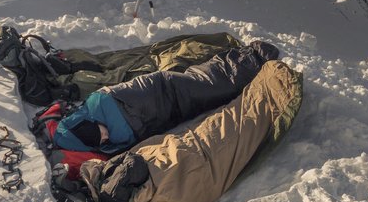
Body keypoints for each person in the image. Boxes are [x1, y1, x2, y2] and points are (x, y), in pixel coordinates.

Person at [53, 40, 279, 154]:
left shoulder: (101, 105)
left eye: (97, 136)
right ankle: (247, 63)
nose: (104, 140)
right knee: (213, 96)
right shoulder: (101, 122)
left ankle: (254, 56)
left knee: (212, 86)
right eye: (99, 143)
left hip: (163, 92)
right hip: (166, 107)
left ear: (87, 126)